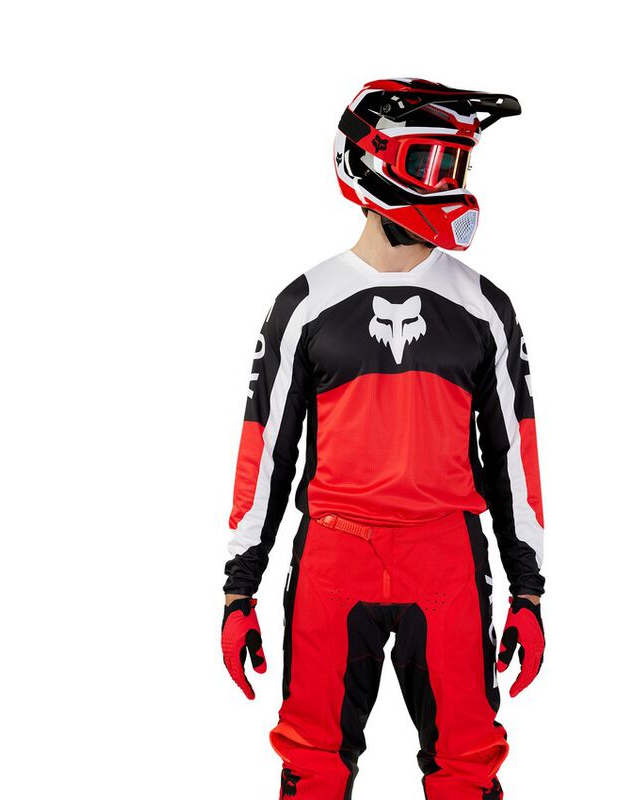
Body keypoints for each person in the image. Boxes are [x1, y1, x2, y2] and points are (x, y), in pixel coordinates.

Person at [221, 78, 546, 800]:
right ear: (372, 162)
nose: (448, 184)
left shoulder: (486, 307)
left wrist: (528, 589)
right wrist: (239, 587)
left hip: (446, 556)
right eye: (431, 162)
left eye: (457, 165)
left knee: (467, 766)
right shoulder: (304, 304)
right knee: (313, 768)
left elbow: (514, 456)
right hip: (335, 556)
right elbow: (265, 450)